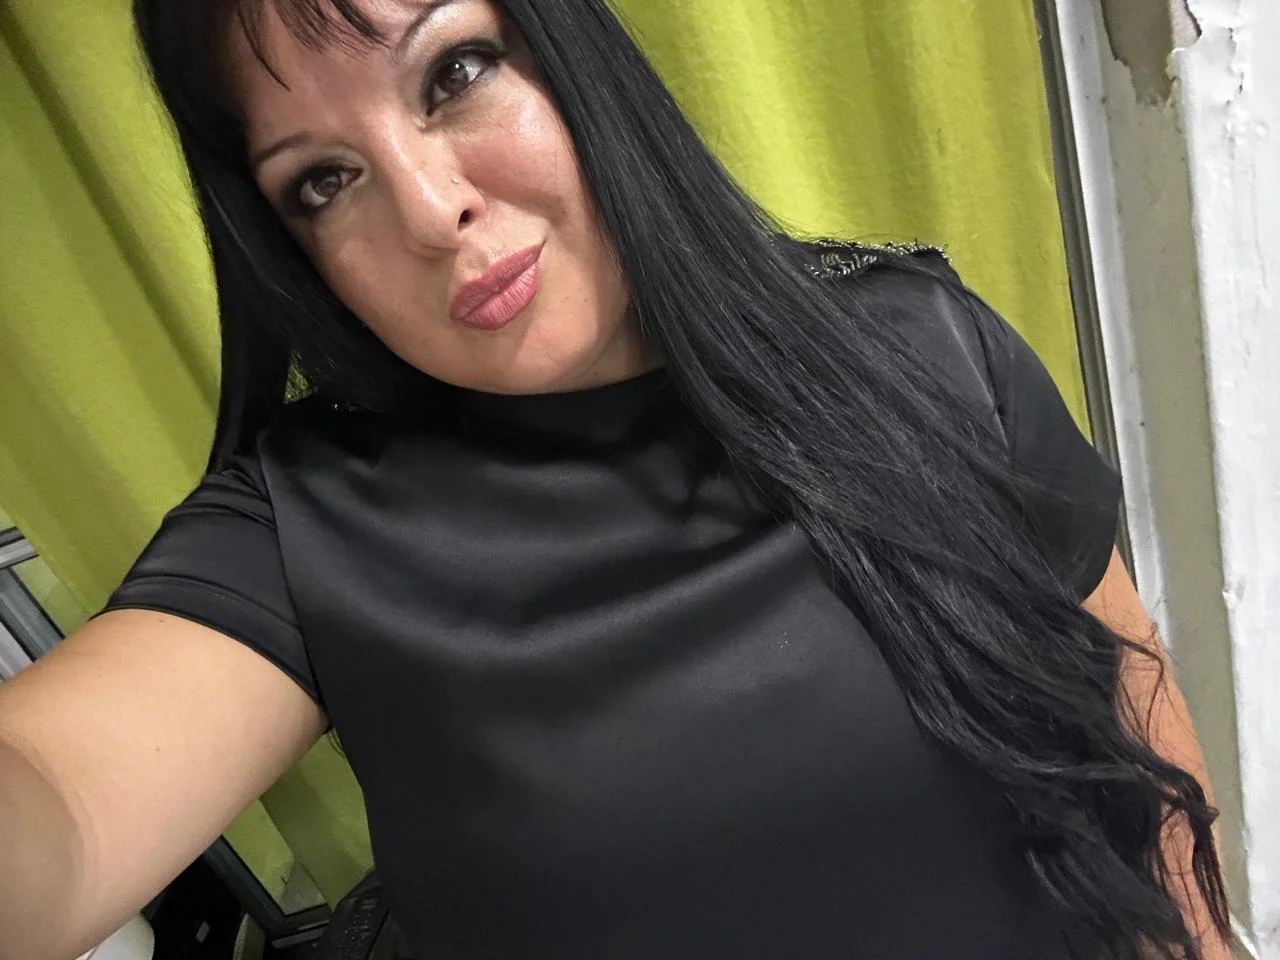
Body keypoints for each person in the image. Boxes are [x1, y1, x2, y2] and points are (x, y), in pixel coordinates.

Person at [0, 0, 1233, 957]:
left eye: (454, 73)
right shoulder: (299, 529)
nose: (430, 213)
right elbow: (55, 802)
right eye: (323, 180)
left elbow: (1122, 693)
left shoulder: (922, 347)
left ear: (566, 51)